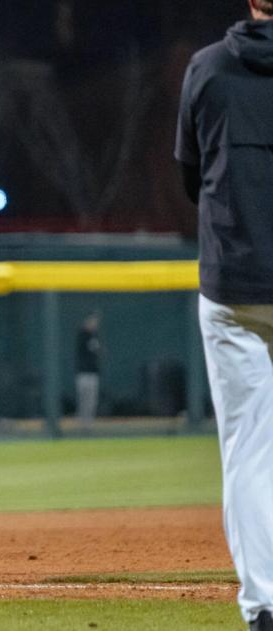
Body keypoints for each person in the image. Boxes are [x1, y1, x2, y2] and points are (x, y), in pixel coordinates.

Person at [176, 3, 273, 628]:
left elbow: (192, 176)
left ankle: (264, 605)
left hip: (234, 281)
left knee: (248, 449)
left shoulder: (208, 68)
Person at [74, 312, 101, 430]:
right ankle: (82, 424)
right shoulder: (82, 335)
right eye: (91, 322)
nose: (94, 324)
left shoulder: (95, 337)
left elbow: (99, 351)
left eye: (95, 322)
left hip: (93, 373)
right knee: (83, 400)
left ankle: (88, 424)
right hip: (83, 374)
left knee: (92, 401)